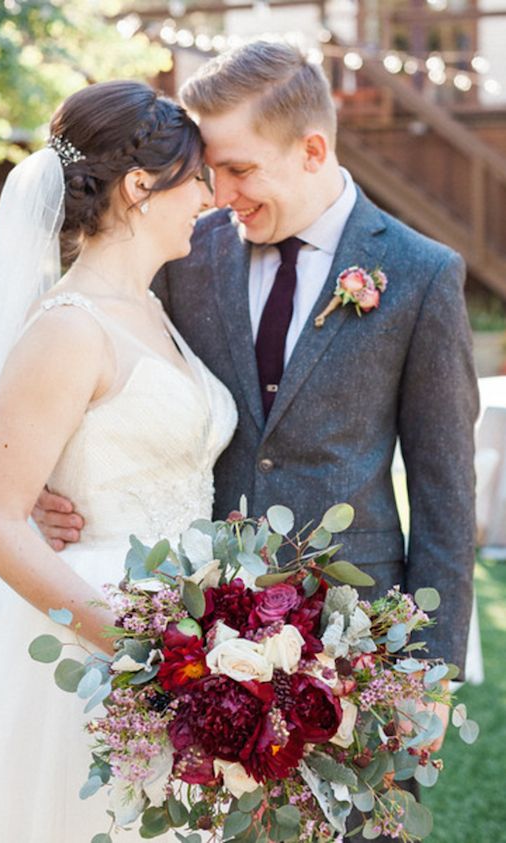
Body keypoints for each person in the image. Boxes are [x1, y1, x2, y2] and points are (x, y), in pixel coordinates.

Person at [35, 41, 478, 842]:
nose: (217, 192)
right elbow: (92, 348)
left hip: (355, 643)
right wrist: (44, 472)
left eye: (237, 170)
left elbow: (446, 492)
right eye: (210, 169)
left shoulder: (420, 274)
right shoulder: (183, 252)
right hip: (198, 643)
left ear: (312, 150)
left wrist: (430, 676)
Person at [0, 80, 235, 842]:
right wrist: (140, 646)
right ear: (142, 187)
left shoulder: (152, 307)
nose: (209, 196)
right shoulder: (68, 330)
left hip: (196, 643)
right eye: (198, 176)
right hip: (99, 654)